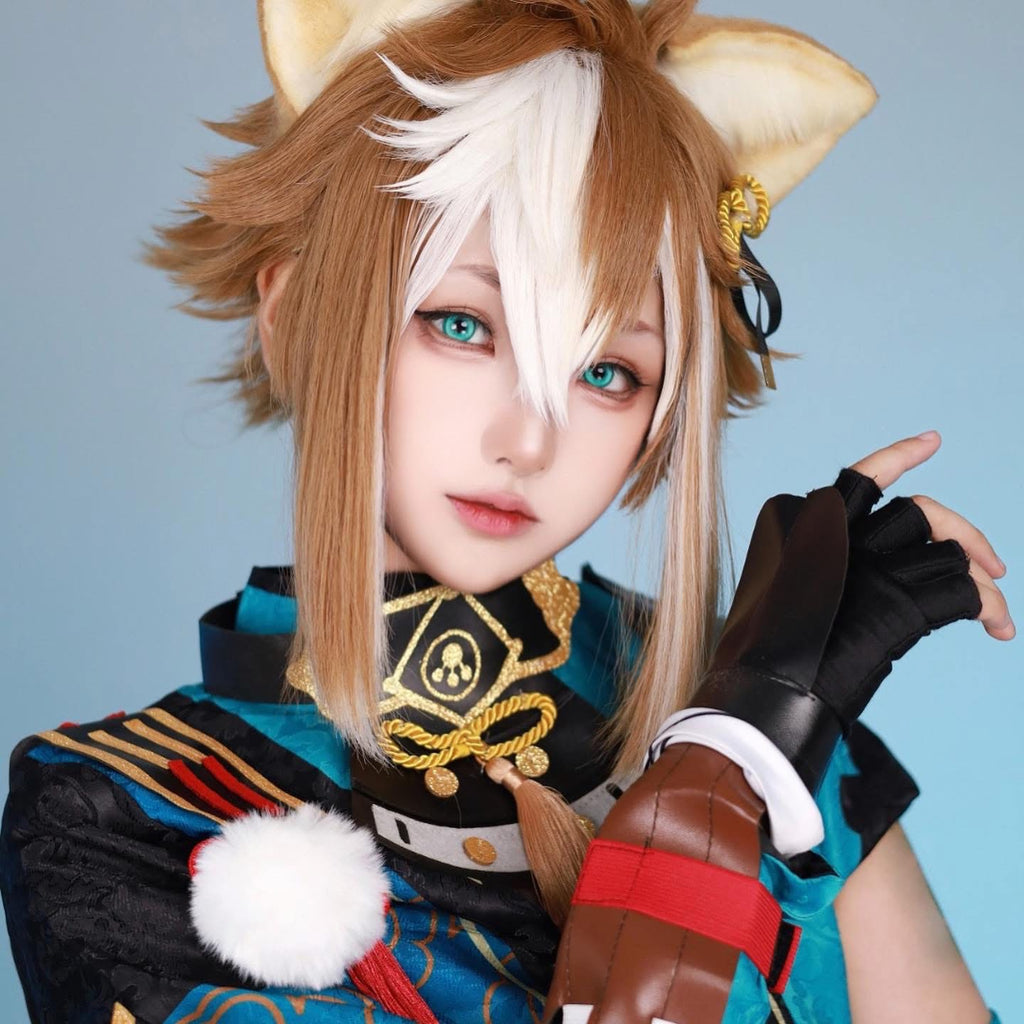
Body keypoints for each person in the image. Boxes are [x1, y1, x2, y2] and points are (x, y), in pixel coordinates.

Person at [0, 1, 1011, 1022]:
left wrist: (766, 724)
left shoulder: (764, 699)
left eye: (607, 371)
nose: (529, 440)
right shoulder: (122, 813)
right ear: (293, 314)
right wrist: (725, 771)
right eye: (462, 324)